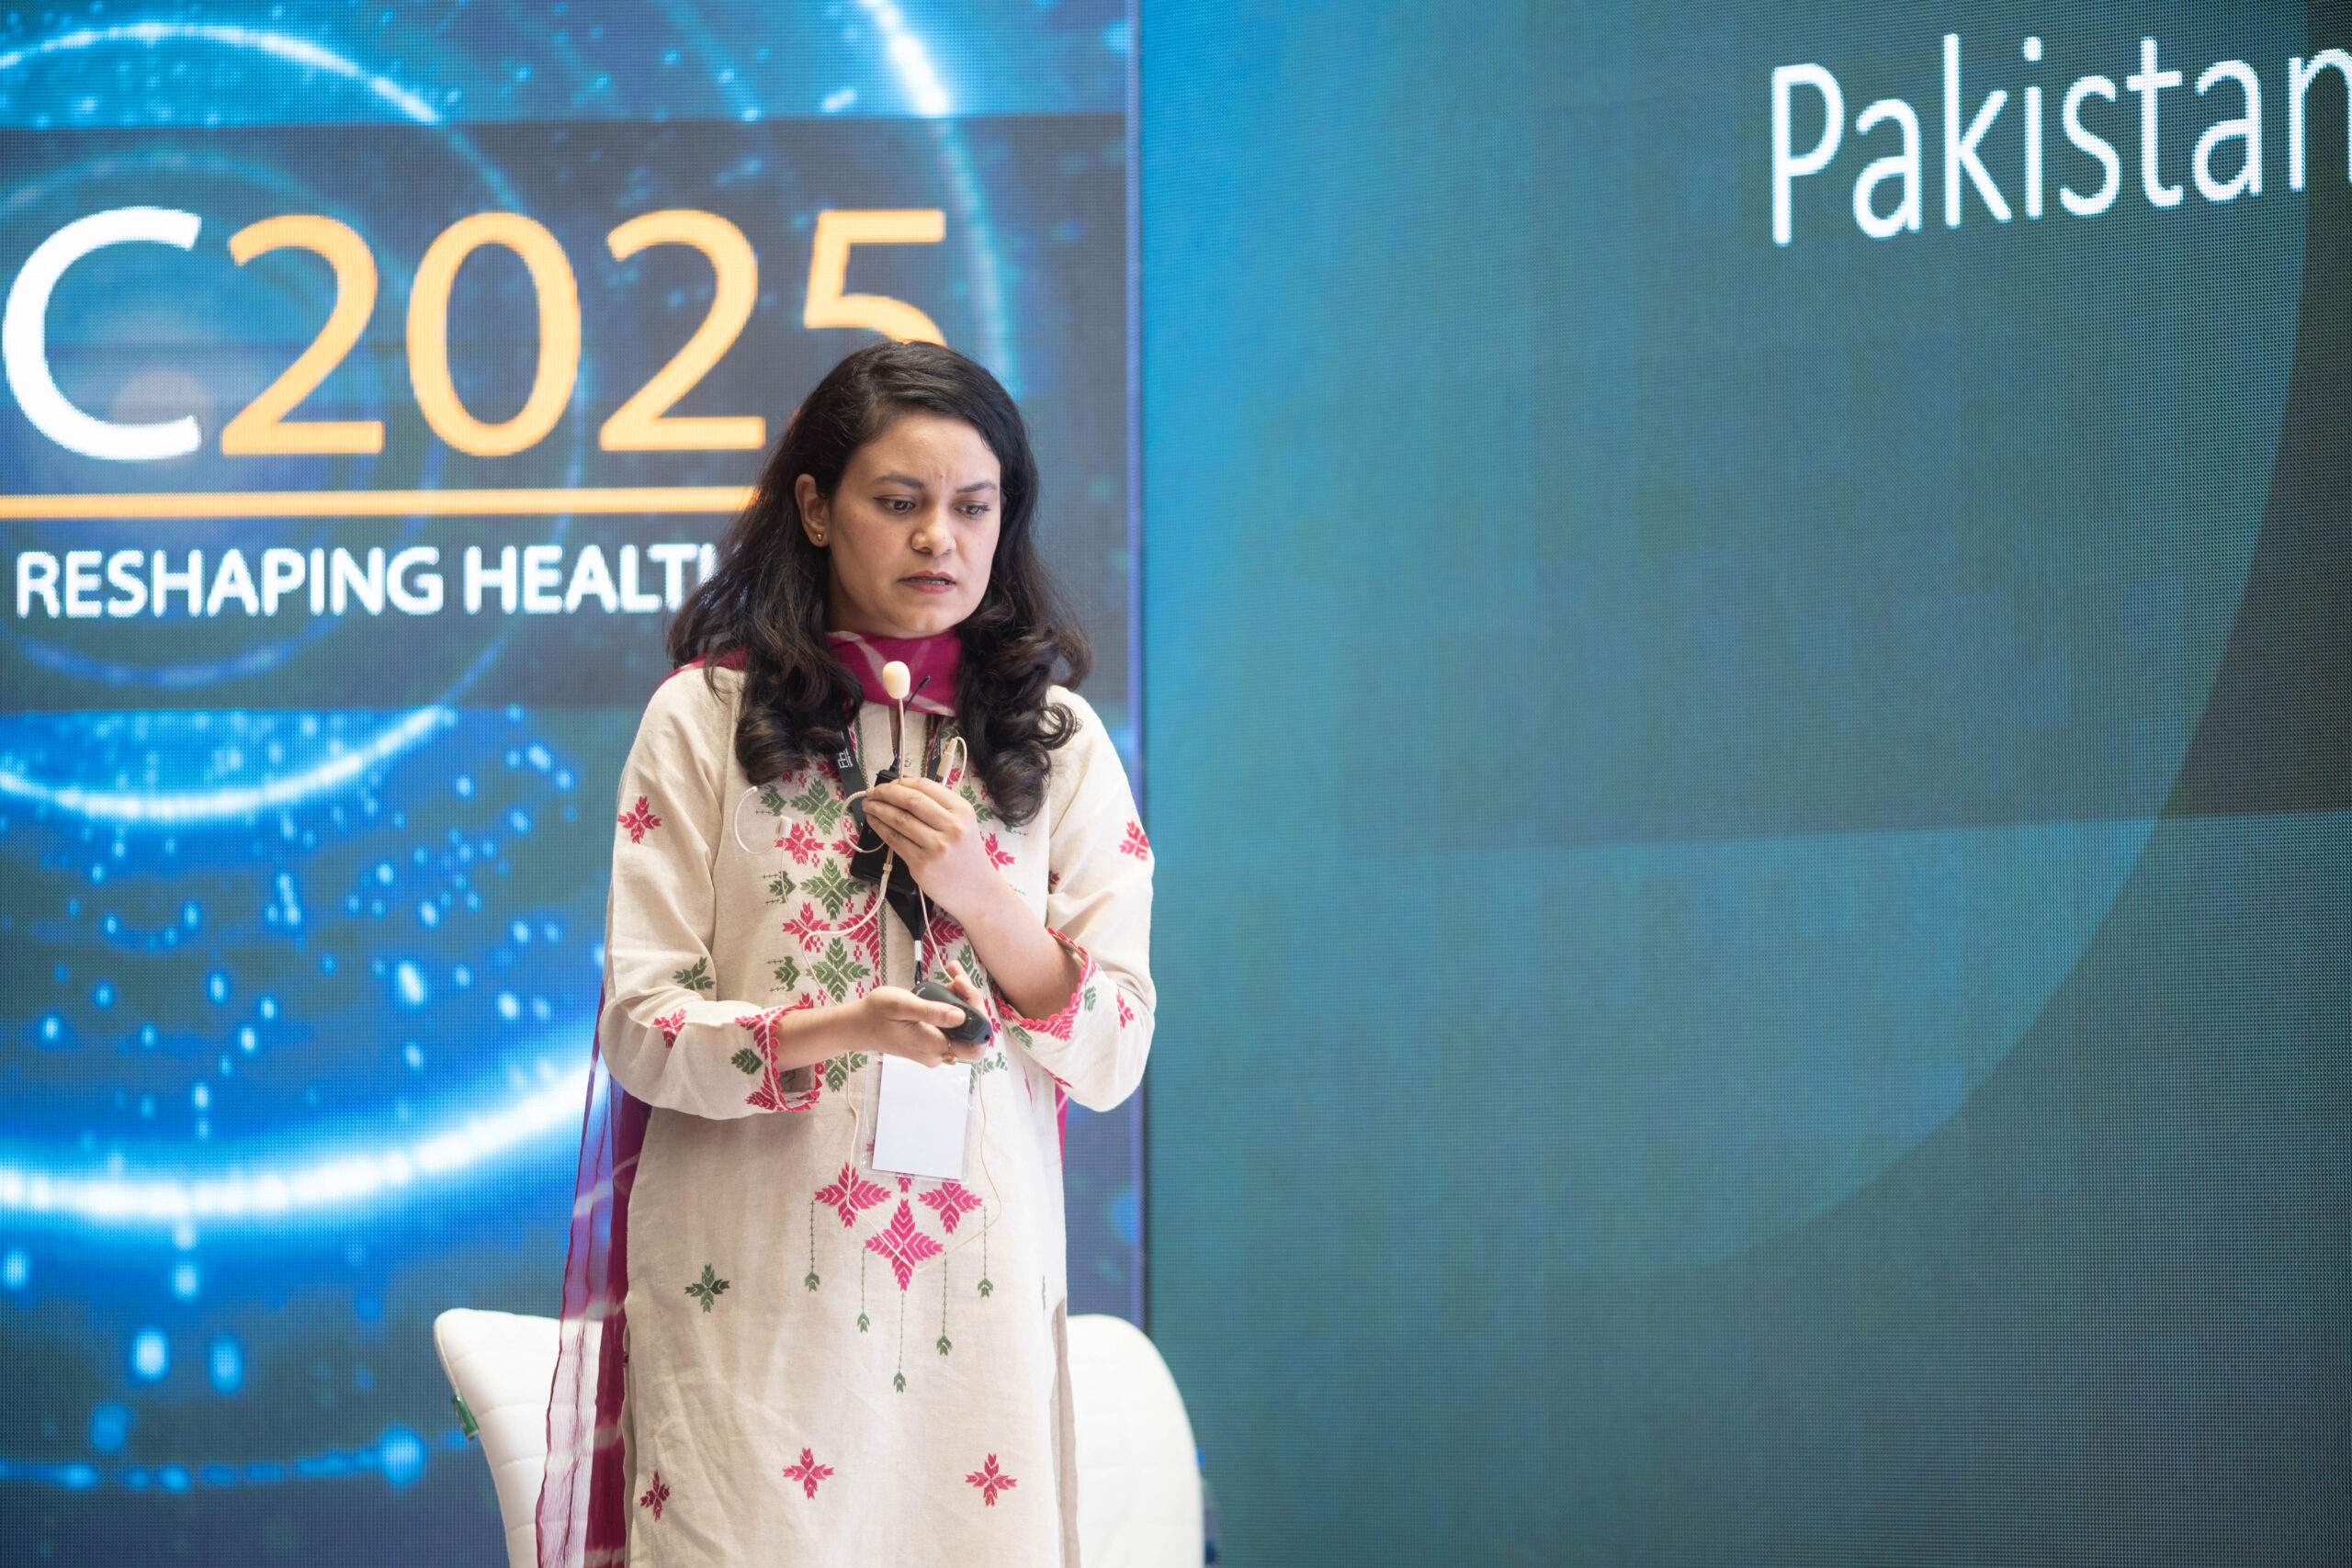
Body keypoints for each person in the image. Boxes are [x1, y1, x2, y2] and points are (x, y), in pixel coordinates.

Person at [537, 341, 1154, 1566]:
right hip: (749, 1306)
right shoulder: (706, 719)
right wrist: (842, 1029)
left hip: (973, 1317)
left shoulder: (1057, 742)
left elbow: (1116, 1048)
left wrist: (984, 898)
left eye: (973, 508)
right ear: (816, 509)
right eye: (899, 501)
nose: (940, 539)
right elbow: (642, 1029)